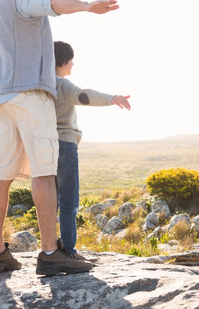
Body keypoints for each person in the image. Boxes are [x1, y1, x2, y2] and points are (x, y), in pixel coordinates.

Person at [0, 0, 119, 276]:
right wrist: (86, 6)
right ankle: (50, 253)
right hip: (29, 95)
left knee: (2, 173)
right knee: (44, 172)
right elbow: (50, 1)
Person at [53, 41, 131, 259]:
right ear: (64, 62)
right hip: (65, 146)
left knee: (50, 201)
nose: (73, 64)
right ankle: (69, 251)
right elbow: (83, 95)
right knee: (69, 202)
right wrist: (112, 99)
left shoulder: (42, 84)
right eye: (71, 60)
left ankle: (50, 249)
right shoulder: (62, 84)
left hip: (45, 146)